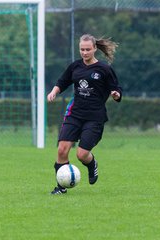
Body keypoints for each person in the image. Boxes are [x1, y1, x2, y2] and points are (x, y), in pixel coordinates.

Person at [47, 34, 122, 194]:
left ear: (95, 48)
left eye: (88, 49)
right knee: (62, 150)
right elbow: (62, 81)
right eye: (82, 49)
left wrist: (116, 94)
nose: (85, 52)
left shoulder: (104, 69)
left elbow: (116, 88)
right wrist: (54, 91)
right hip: (75, 114)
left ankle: (91, 164)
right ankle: (60, 187)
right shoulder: (75, 67)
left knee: (81, 154)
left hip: (94, 117)